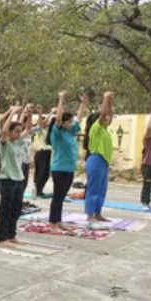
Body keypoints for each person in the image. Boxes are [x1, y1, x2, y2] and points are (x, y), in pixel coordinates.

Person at [47, 91, 87, 231]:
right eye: (68, 122)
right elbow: (58, 119)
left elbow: (79, 119)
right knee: (57, 196)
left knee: (62, 196)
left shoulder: (70, 132)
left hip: (69, 169)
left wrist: (83, 104)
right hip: (59, 168)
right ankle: (53, 223)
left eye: (71, 122)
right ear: (62, 123)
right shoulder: (57, 133)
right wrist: (61, 100)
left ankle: (58, 221)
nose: (71, 124)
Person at [0, 105, 32, 245]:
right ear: (10, 132)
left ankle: (11, 234)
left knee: (16, 208)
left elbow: (28, 129)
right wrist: (12, 113)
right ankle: (2, 236)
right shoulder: (4, 143)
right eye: (16, 131)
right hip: (7, 179)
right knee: (5, 208)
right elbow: (4, 130)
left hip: (18, 179)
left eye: (19, 132)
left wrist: (29, 114)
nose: (18, 134)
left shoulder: (18, 142)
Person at [83, 91, 115, 222]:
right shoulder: (95, 129)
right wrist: (105, 98)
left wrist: (110, 102)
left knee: (102, 189)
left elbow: (109, 114)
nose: (107, 120)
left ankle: (98, 213)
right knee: (94, 188)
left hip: (104, 161)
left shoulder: (104, 130)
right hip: (95, 160)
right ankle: (90, 214)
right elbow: (103, 114)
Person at [31, 105, 54, 198]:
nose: (46, 123)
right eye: (44, 122)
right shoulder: (39, 131)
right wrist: (49, 113)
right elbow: (41, 123)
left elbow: (49, 123)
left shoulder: (47, 131)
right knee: (40, 173)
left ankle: (40, 190)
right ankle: (37, 190)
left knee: (45, 173)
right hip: (41, 152)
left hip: (47, 152)